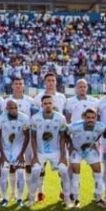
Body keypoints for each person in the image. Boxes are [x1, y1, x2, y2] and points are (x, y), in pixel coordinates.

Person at [29, 95, 70, 207]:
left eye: (50, 103)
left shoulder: (61, 118)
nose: (48, 105)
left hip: (56, 152)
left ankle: (67, 199)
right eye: (45, 103)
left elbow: (62, 138)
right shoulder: (35, 118)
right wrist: (35, 156)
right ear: (42, 105)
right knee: (35, 171)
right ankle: (31, 199)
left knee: (64, 171)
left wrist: (62, 156)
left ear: (53, 104)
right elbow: (32, 137)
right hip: (40, 152)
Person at [32, 72, 67, 202]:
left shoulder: (62, 97)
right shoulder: (37, 98)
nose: (51, 83)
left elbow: (65, 115)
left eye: (53, 80)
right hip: (42, 137)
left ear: (56, 82)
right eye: (48, 80)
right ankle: (40, 192)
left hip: (58, 137)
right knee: (41, 166)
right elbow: (34, 117)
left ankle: (64, 192)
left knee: (61, 167)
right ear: (44, 82)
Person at [66, 108, 106, 208]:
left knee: (98, 172)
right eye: (88, 117)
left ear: (96, 118)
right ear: (84, 117)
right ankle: (76, 199)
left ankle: (98, 198)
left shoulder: (100, 126)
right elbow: (64, 133)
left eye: (93, 117)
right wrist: (70, 146)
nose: (90, 120)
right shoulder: (75, 126)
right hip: (77, 150)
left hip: (89, 150)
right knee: (76, 174)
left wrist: (94, 144)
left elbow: (99, 134)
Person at [0, 99, 30, 207]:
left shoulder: (24, 118)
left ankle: (19, 198)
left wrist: (21, 154)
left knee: (20, 173)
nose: (14, 110)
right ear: (7, 109)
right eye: (11, 108)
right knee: (4, 174)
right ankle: (5, 198)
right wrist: (2, 154)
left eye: (16, 107)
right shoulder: (1, 119)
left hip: (18, 150)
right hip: (5, 150)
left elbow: (27, 136)